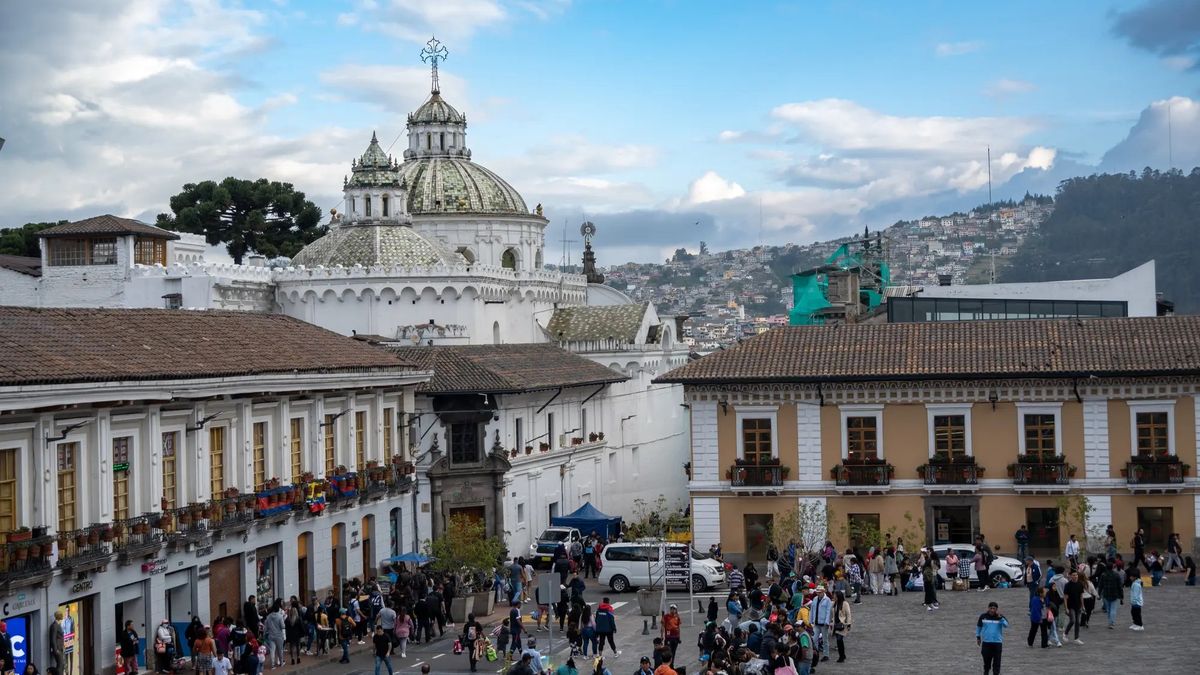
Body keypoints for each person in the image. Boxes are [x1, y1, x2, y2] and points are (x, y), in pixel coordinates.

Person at [975, 601, 1008, 675]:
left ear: (997, 609)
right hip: (986, 643)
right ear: (988, 608)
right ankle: (986, 671)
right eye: (991, 608)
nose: (992, 610)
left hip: (997, 643)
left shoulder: (1000, 617)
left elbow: (1006, 625)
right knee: (986, 660)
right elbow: (979, 627)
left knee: (997, 662)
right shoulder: (983, 616)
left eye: (994, 608)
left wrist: (1001, 618)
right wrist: (978, 637)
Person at [1097, 564, 1123, 629]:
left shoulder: (1103, 575)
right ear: (1112, 567)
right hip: (1114, 594)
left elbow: (1100, 586)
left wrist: (1099, 594)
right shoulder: (1116, 575)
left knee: (1108, 609)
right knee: (1113, 609)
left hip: (1106, 594)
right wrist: (1121, 595)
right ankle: (1111, 623)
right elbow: (1120, 586)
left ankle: (1110, 621)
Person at [1062, 570, 1084, 644]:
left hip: (1078, 605)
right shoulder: (1068, 585)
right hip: (1070, 605)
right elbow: (1065, 597)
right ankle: (1065, 633)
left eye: (1076, 575)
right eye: (1073, 575)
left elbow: (1081, 596)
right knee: (1072, 620)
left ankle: (1076, 638)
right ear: (1070, 576)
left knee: (1078, 622)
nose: (1075, 576)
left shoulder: (1080, 584)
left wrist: (1083, 606)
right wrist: (1066, 608)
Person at [832, 590, 851, 663]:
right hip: (836, 624)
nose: (834, 597)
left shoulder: (845, 604)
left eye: (835, 596)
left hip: (842, 624)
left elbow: (848, 614)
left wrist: (849, 623)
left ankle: (841, 656)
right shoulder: (834, 603)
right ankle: (842, 655)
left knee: (839, 640)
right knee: (839, 641)